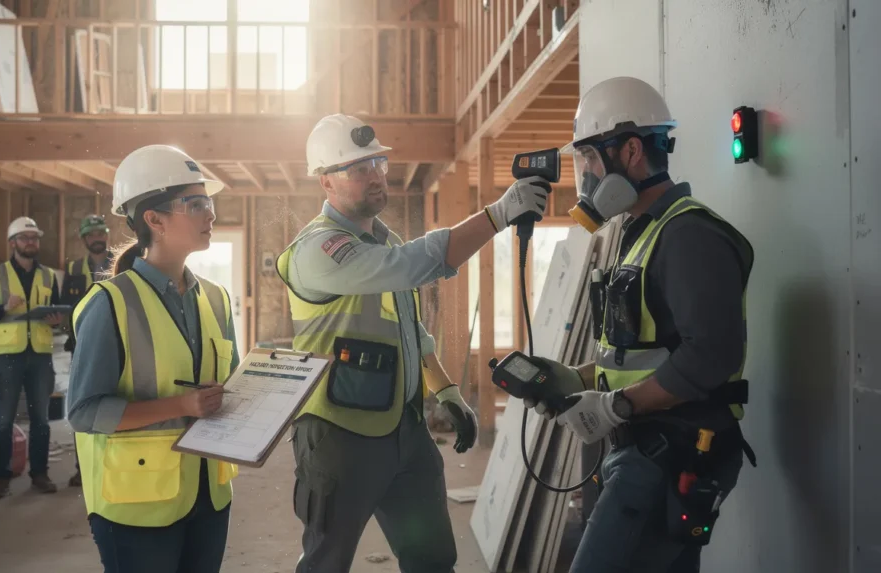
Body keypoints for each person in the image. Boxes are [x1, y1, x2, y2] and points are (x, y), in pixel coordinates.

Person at [275, 113, 551, 572]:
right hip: (339, 438)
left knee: (433, 557)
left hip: (404, 432)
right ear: (325, 182)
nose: (376, 177)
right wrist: (497, 215)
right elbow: (411, 265)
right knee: (327, 561)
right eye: (358, 169)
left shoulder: (385, 241)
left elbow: (411, 330)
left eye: (378, 164)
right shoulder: (317, 250)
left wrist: (446, 392)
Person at [521, 76, 756, 572]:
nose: (583, 174)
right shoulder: (638, 232)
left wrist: (616, 405)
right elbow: (642, 350)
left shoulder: (689, 235)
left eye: (588, 158)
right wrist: (577, 380)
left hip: (675, 449)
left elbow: (710, 356)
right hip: (644, 446)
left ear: (630, 151)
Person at [66, 144, 241, 573]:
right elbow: (84, 413)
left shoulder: (216, 300)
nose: (210, 215)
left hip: (209, 492)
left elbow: (231, 386)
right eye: (196, 204)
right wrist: (182, 407)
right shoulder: (109, 304)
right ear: (154, 220)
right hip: (137, 503)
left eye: (210, 202)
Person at [0, 216, 65, 498]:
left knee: (41, 419)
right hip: (7, 356)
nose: (31, 243)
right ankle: (1, 477)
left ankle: (40, 474)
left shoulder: (49, 276)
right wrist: (4, 307)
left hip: (39, 355)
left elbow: (58, 317)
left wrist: (56, 322)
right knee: (3, 420)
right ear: (13, 243)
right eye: (25, 238)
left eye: (34, 238)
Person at [62, 214, 113, 488]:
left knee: (112, 405)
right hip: (81, 346)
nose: (97, 238)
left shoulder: (123, 262)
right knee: (82, 407)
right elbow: (65, 305)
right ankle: (83, 468)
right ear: (84, 239)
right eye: (92, 234)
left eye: (101, 233)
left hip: (116, 343)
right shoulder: (72, 269)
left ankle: (109, 465)